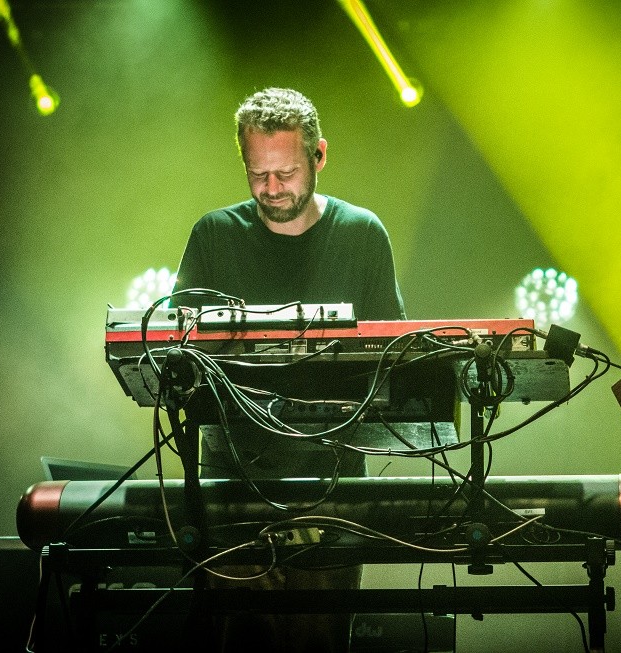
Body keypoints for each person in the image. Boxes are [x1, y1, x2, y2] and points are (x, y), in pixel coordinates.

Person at [170, 87, 406, 652]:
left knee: (318, 639)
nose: (272, 188)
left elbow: (392, 357)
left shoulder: (361, 234)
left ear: (319, 156)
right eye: (258, 174)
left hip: (332, 484)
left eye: (286, 173)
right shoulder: (214, 235)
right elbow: (177, 356)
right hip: (232, 484)